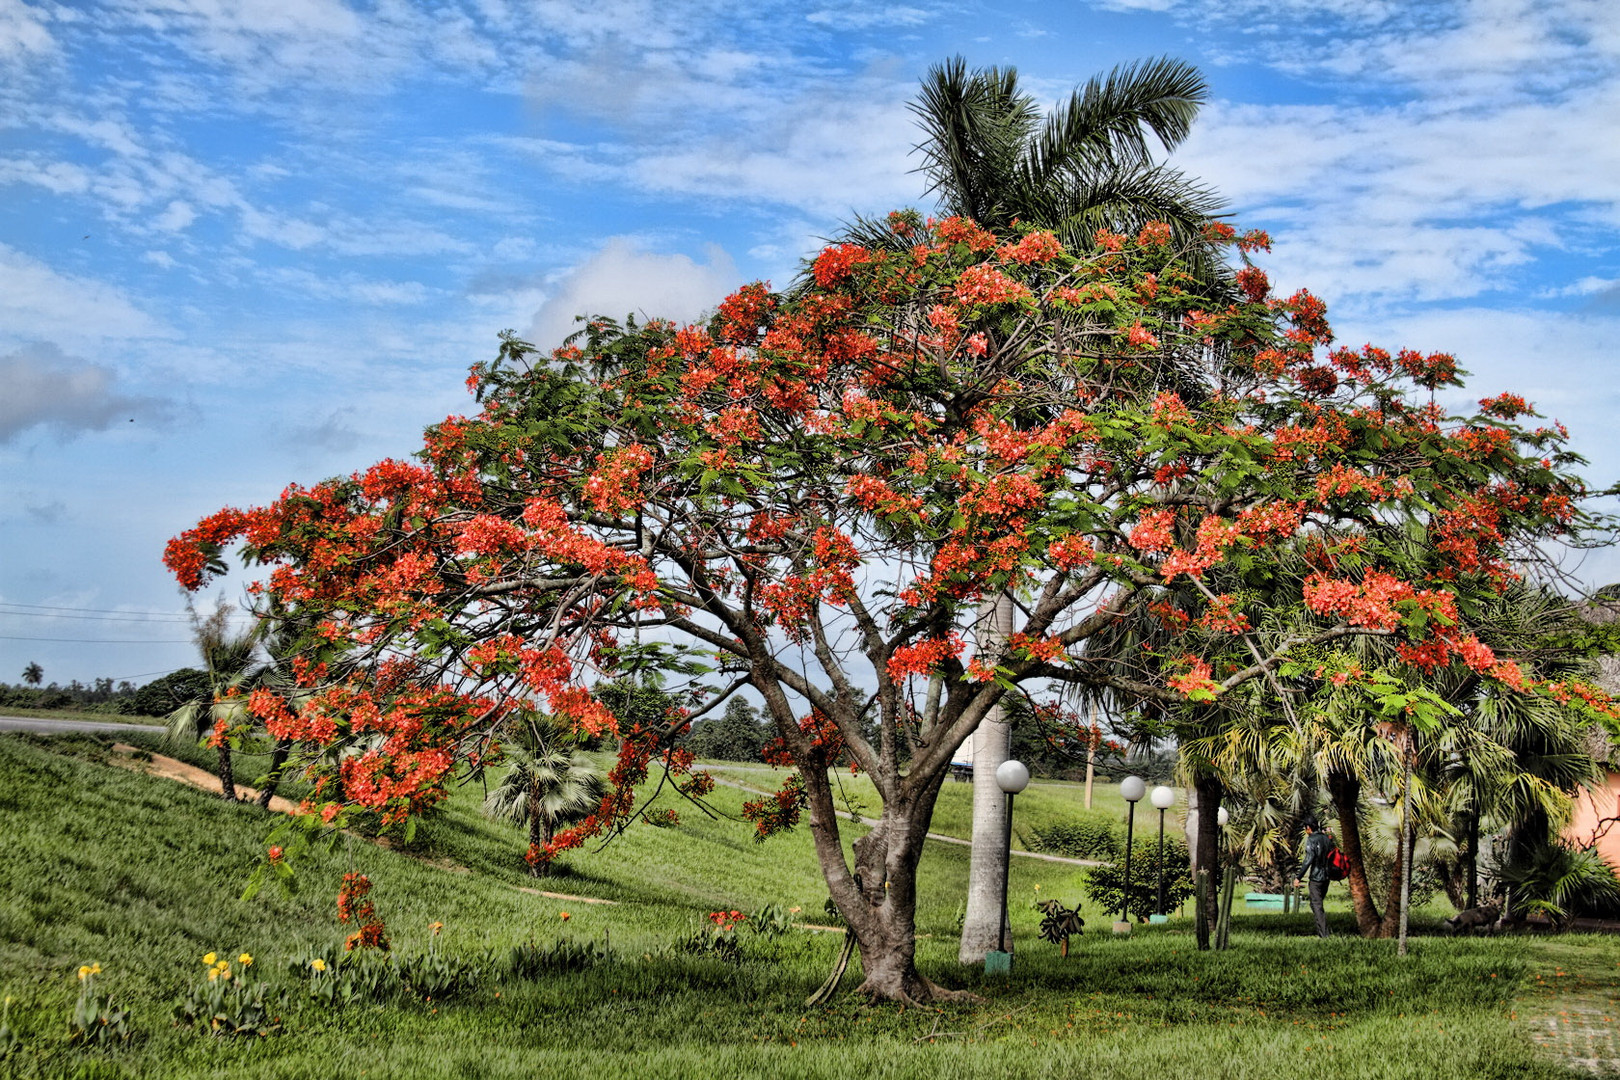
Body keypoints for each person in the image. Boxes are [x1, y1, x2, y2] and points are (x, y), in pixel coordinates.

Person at [1294, 816, 1333, 938]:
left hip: (1316, 878)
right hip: (1327, 877)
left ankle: (1324, 935)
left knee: (1317, 906)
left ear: (1308, 828)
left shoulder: (1311, 839)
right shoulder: (1326, 838)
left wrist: (1298, 877)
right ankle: (1323, 930)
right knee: (1317, 904)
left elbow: (1308, 859)